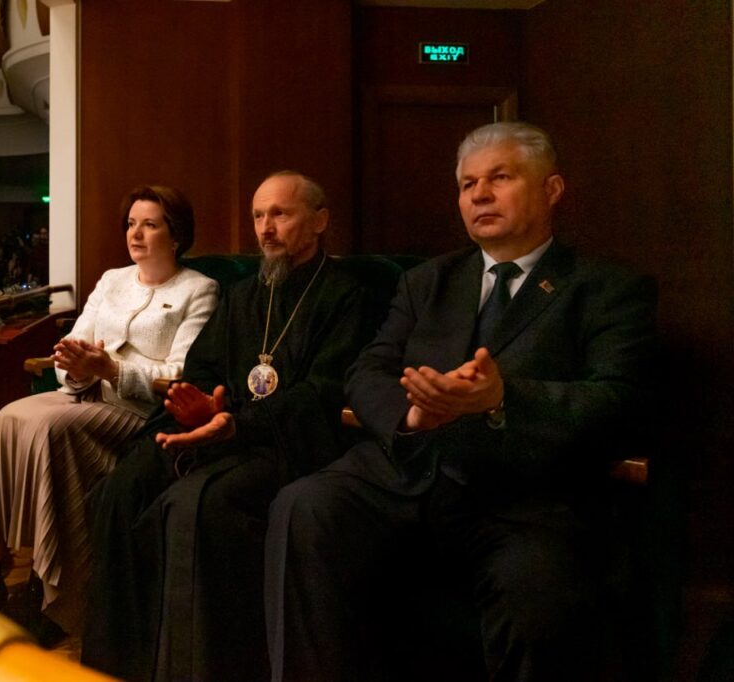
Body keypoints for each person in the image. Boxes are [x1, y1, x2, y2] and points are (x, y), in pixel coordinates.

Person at [264, 123, 659, 681]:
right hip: (410, 471)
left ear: (551, 190)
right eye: (468, 184)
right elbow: (368, 370)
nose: (480, 195)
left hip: (524, 495)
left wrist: (503, 398)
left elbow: (620, 400)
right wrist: (411, 414)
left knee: (539, 594)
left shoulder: (606, 288)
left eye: (501, 178)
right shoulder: (428, 280)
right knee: (303, 505)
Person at [82, 171, 379, 681]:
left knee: (198, 505)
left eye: (280, 214)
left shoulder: (348, 296)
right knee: (122, 486)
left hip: (285, 445)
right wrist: (195, 406)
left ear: (320, 221)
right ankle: (118, 666)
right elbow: (202, 372)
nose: (266, 228)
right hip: (220, 432)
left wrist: (237, 425)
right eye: (259, 216)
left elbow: (324, 392)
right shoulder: (243, 297)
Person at [0, 185, 218, 639]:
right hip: (86, 393)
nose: (135, 234)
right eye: (131, 224)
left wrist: (112, 370)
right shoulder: (111, 279)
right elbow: (72, 348)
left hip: (140, 410)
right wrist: (77, 368)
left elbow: (181, 372)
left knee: (49, 427)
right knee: (9, 418)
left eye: (150, 225)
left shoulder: (199, 290)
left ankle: (54, 592)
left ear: (176, 234)